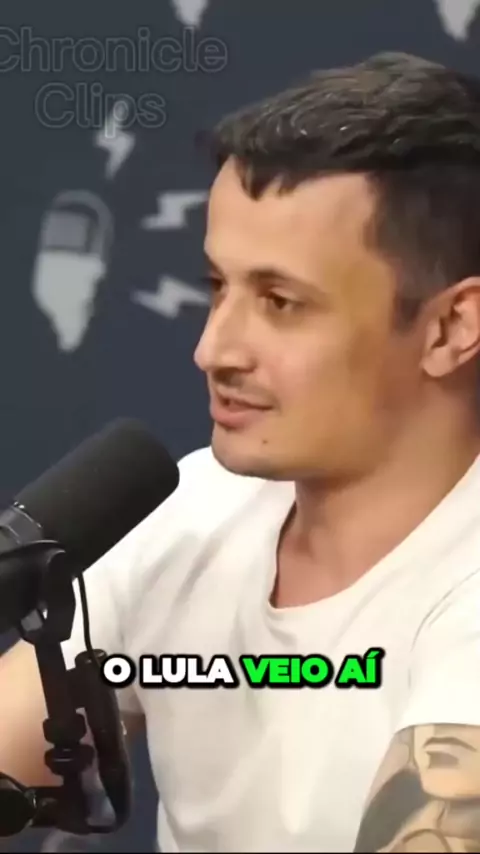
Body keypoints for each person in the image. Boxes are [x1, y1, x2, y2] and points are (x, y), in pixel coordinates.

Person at [2, 50, 480, 853]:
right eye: (218, 287)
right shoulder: (188, 515)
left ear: (449, 329)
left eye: (280, 302)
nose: (212, 350)